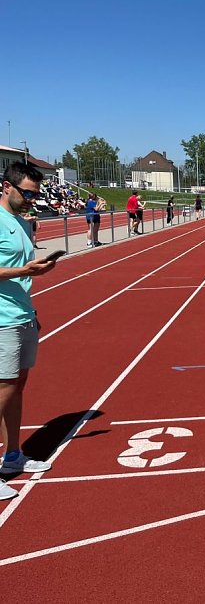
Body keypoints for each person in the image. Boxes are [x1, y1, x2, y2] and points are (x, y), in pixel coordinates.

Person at [0, 162, 56, 498]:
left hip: (22, 314)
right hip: (2, 318)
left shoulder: (22, 222)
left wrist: (36, 271)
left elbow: (21, 270)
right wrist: (24, 270)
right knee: (3, 389)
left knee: (17, 387)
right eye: (27, 193)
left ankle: (13, 455)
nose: (32, 200)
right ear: (7, 187)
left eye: (35, 194)